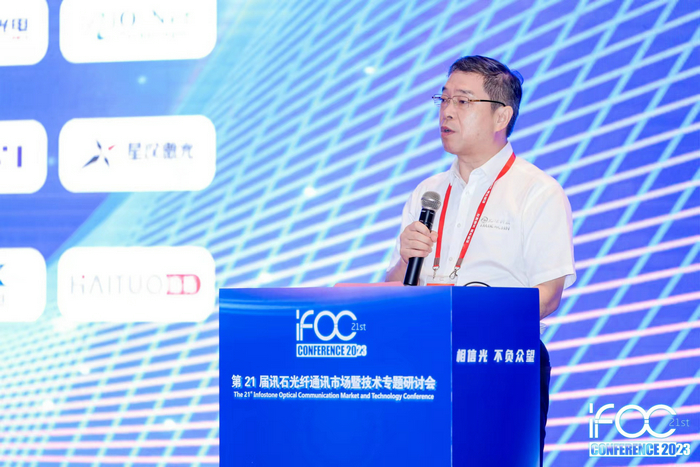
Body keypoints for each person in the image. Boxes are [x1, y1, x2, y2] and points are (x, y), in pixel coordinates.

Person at [385, 55, 576, 466]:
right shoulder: (428, 191)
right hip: (424, 358)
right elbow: (396, 288)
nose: (447, 111)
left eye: (463, 101)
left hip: (500, 361)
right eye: (443, 98)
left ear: (501, 116)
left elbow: (548, 294)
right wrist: (405, 260)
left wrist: (477, 320)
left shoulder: (537, 192)